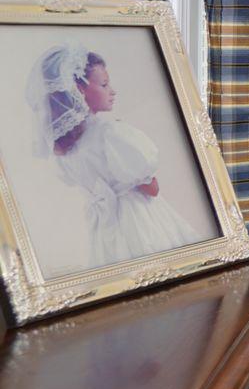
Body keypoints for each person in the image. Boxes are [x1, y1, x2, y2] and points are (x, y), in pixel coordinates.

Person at [27, 44, 203, 267]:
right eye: (104, 84)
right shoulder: (109, 133)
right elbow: (152, 188)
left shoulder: (65, 151)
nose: (112, 90)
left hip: (103, 230)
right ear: (79, 90)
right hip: (140, 222)